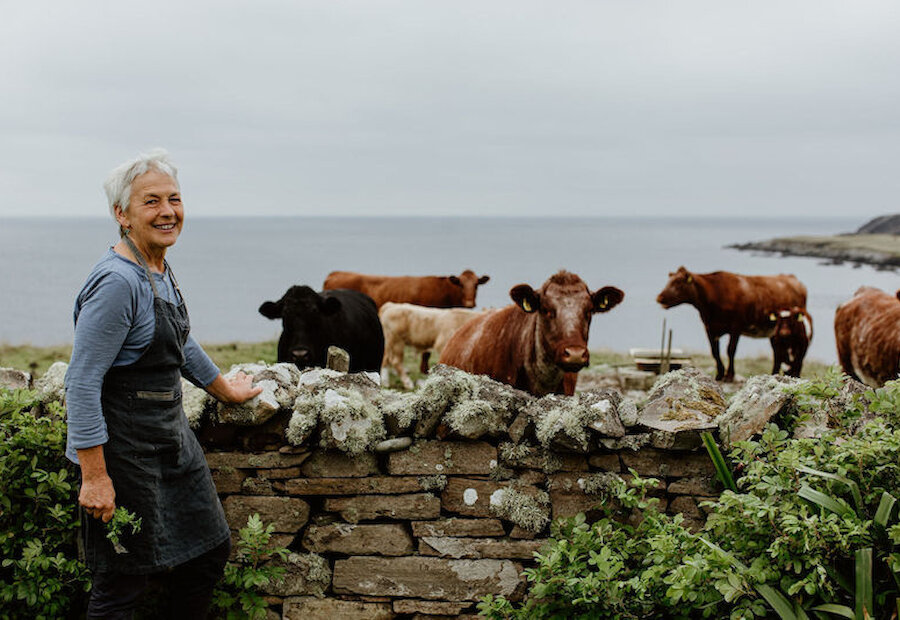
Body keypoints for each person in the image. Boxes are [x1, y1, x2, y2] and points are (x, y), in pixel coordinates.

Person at [65, 149, 262, 619]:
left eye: (174, 199)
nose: (168, 211)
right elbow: (82, 382)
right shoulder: (118, 282)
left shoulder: (156, 267)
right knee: (123, 583)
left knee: (208, 553)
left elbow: (179, 343)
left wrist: (225, 389)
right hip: (125, 453)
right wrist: (95, 477)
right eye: (151, 201)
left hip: (170, 441)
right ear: (122, 214)